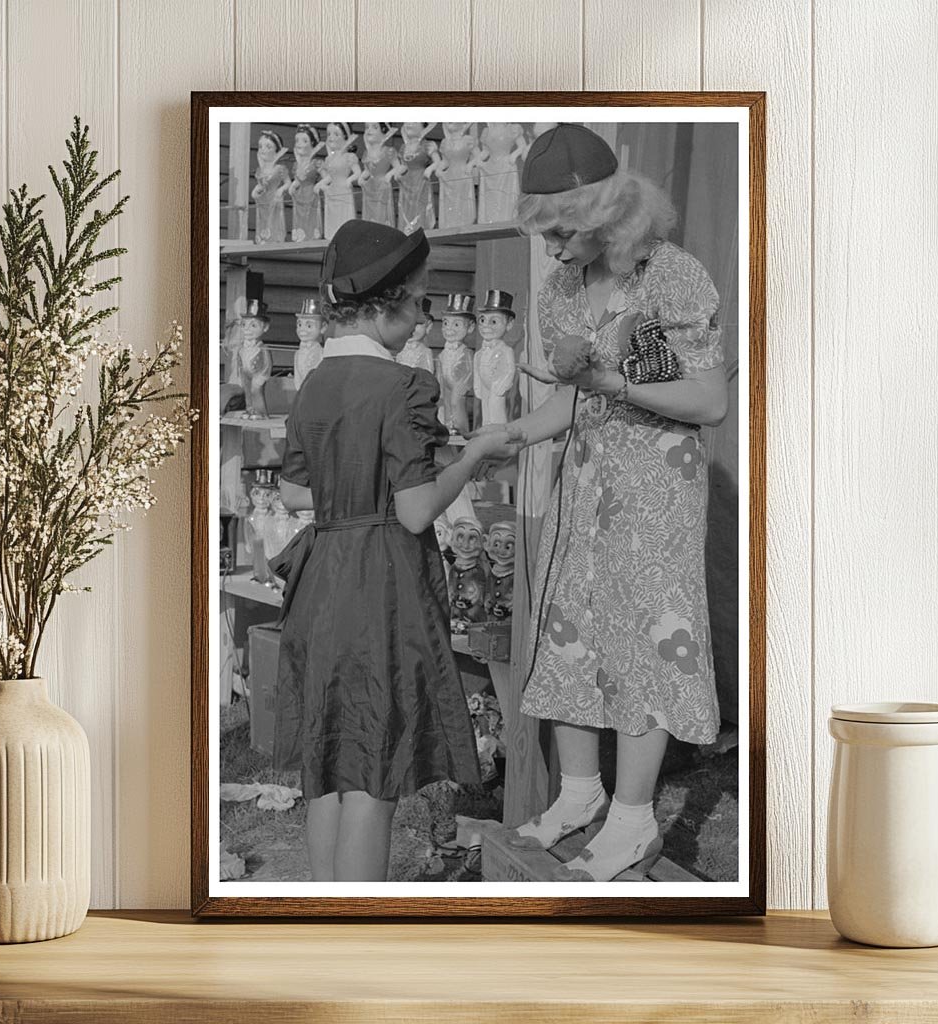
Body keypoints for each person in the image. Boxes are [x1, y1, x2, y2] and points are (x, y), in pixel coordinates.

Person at [497, 124, 728, 881]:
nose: (555, 247)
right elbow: (570, 402)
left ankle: (631, 821)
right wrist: (512, 434)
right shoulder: (563, 286)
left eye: (565, 230)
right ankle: (578, 793)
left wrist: (613, 385)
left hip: (655, 492)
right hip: (588, 483)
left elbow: (705, 400)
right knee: (569, 630)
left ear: (608, 218)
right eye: (546, 231)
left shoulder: (669, 278)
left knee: (644, 645)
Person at [273, 219, 525, 882]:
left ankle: (324, 919)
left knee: (330, 759)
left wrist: (358, 485)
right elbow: (415, 510)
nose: (423, 319)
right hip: (377, 584)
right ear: (384, 306)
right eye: (418, 303)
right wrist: (471, 454)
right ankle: (355, 940)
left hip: (321, 576)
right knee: (377, 766)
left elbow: (298, 493)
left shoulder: (316, 382)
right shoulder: (405, 386)